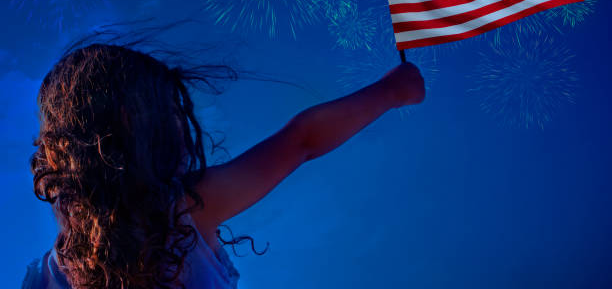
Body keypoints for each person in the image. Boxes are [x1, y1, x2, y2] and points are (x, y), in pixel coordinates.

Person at [21, 42, 425, 289]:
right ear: (135, 123)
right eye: (172, 110)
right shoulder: (187, 210)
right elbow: (302, 140)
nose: (182, 121)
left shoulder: (46, 276)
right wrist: (392, 91)